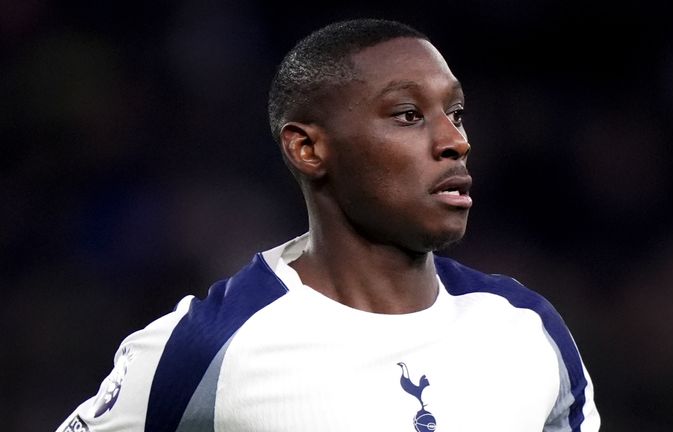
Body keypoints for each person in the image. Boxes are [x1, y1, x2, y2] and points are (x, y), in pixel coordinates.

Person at [56, 18, 600, 432]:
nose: (456, 140)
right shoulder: (207, 348)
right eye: (408, 114)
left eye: (454, 112)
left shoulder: (527, 328)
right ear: (309, 148)